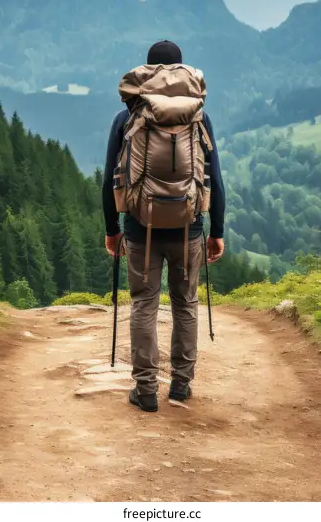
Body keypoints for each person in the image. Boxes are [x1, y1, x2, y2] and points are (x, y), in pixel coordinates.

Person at [102, 39, 225, 413]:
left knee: (144, 304)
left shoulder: (127, 117)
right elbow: (214, 180)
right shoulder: (199, 117)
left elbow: (110, 178)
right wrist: (216, 230)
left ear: (147, 71)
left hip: (141, 228)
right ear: (182, 71)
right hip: (188, 228)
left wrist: (112, 229)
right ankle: (181, 386)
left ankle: (146, 389)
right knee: (185, 304)